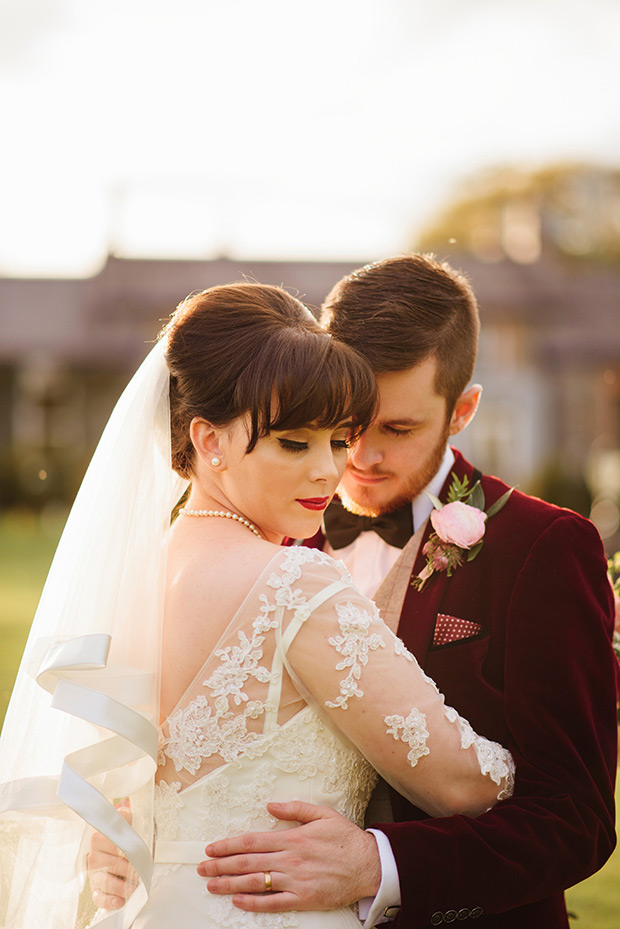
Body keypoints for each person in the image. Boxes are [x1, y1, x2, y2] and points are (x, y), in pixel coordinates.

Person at [0, 282, 514, 929]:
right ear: (209, 440)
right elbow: (462, 783)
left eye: (338, 439)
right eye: (295, 443)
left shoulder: (137, 572)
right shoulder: (295, 581)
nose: (330, 471)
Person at [200, 256, 619, 929]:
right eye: (347, 422)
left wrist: (380, 864)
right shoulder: (267, 543)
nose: (359, 456)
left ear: (464, 410)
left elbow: (576, 817)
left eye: (398, 429)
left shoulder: (545, 549)